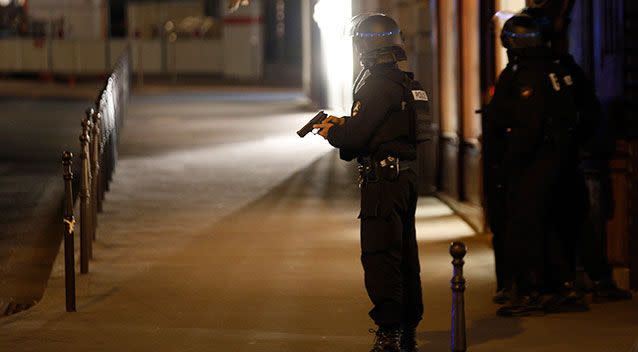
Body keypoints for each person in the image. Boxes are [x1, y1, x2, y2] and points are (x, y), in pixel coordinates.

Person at [312, 13, 432, 352]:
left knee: (381, 255)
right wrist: (351, 125)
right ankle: (408, 327)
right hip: (406, 179)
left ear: (364, 44)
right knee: (406, 254)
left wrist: (331, 130)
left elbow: (357, 136)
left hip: (384, 182)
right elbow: (386, 129)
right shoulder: (408, 83)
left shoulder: (376, 84)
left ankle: (389, 332)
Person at [523, 3, 632, 303]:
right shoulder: (556, 68)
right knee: (572, 219)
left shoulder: (559, 68)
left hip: (567, 157)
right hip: (566, 156)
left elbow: (586, 109)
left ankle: (575, 279)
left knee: (575, 219)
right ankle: (574, 279)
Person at [484, 13, 583, 316]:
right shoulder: (556, 68)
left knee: (524, 226)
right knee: (551, 224)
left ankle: (530, 291)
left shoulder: (524, 74)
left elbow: (526, 125)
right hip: (559, 162)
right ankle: (558, 286)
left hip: (531, 165)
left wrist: (508, 163)